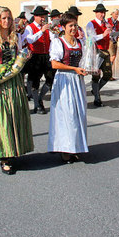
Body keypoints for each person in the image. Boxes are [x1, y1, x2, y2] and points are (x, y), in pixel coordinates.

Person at [0, 7, 34, 175]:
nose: (7, 21)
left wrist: (25, 57)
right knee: (1, 115)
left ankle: (15, 148)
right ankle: (4, 156)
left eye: (9, 18)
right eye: (3, 18)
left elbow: (19, 57)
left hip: (14, 79)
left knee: (14, 113)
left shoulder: (15, 37)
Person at [48, 12, 88, 163]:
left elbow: (84, 60)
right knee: (67, 115)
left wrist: (89, 68)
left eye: (75, 25)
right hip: (64, 81)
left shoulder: (80, 42)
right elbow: (54, 64)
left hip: (77, 81)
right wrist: (74, 69)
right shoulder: (58, 42)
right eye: (71, 25)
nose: (73, 28)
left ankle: (74, 147)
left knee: (78, 114)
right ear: (63, 27)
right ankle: (65, 149)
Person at [23, 6, 53, 114]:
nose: (43, 18)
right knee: (35, 81)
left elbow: (52, 39)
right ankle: (37, 104)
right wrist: (41, 31)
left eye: (43, 16)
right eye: (40, 16)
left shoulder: (45, 27)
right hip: (35, 56)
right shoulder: (29, 28)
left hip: (46, 56)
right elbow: (30, 40)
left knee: (50, 79)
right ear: (35, 16)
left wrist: (54, 33)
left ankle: (40, 98)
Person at [86, 3, 112, 107]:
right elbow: (90, 38)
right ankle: (97, 98)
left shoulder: (105, 23)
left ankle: (95, 90)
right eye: (100, 12)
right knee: (96, 76)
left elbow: (109, 36)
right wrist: (103, 35)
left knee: (108, 74)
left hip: (105, 51)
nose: (103, 14)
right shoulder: (91, 24)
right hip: (96, 51)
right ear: (96, 13)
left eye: (104, 12)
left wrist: (113, 34)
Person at [107, 9, 119, 80]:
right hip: (109, 41)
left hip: (115, 40)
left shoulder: (118, 22)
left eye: (118, 14)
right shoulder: (108, 21)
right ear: (112, 14)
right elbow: (108, 32)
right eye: (116, 14)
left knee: (113, 57)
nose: (117, 15)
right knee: (112, 57)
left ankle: (108, 74)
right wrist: (116, 33)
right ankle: (108, 74)